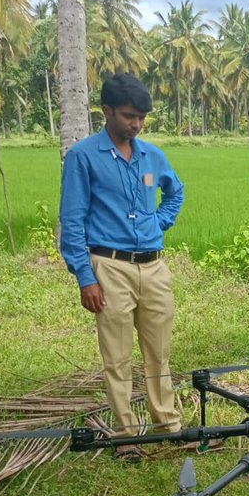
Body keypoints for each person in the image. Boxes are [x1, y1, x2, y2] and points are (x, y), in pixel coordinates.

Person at [59, 73, 185, 458]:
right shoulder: (83, 157)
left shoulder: (151, 156)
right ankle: (126, 435)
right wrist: (85, 278)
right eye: (129, 116)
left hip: (154, 267)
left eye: (142, 117)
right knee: (117, 357)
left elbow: (175, 191)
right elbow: (72, 220)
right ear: (107, 111)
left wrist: (158, 223)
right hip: (109, 267)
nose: (136, 124)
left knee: (158, 352)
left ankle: (167, 426)